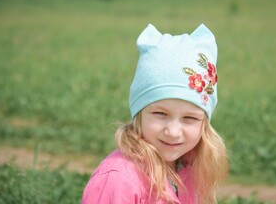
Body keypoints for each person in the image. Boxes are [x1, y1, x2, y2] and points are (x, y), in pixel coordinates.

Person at [82, 24, 228, 204]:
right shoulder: (119, 180)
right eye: (160, 113)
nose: (173, 132)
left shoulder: (190, 168)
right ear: (139, 113)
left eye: (189, 118)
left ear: (204, 122)